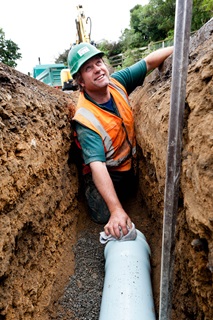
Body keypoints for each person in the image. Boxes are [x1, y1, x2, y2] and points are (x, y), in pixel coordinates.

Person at [68, 42, 173, 239]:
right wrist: (116, 210)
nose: (97, 69)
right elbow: (97, 165)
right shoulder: (86, 119)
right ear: (80, 81)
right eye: (88, 68)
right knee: (102, 215)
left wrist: (183, 47)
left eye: (98, 62)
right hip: (108, 172)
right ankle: (96, 193)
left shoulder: (116, 83)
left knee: (132, 191)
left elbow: (149, 61)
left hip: (129, 166)